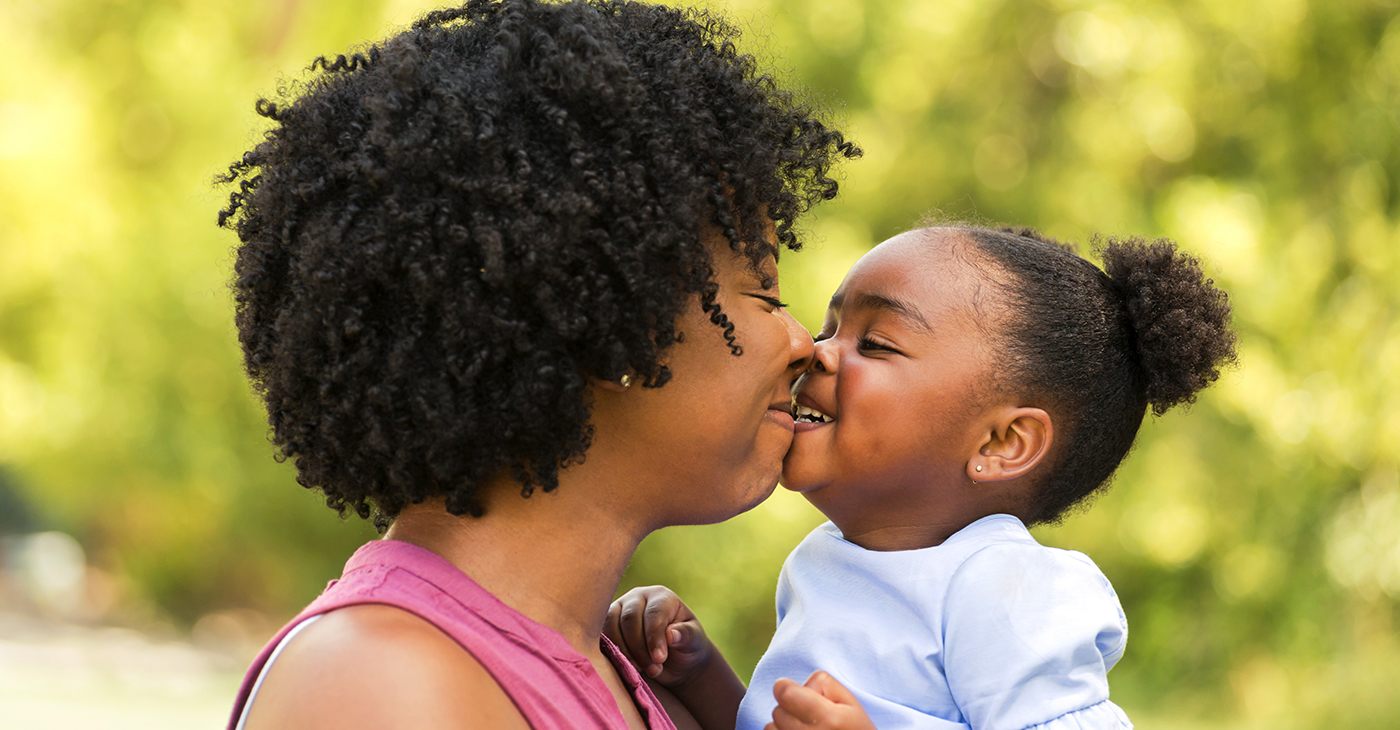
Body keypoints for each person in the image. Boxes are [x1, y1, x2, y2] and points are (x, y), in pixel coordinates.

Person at [214, 1, 858, 728]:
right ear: (617, 323)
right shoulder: (384, 680)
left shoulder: (628, 673)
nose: (804, 344)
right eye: (764, 293)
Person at [607, 225, 1237, 730]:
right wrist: (696, 674)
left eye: (876, 343)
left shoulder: (1002, 588)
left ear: (1001, 443)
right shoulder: (825, 562)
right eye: (829, 329)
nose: (815, 351)